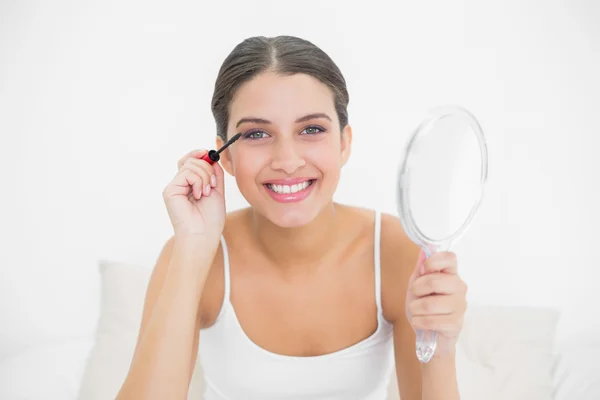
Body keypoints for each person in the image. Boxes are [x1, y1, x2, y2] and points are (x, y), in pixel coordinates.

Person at [116, 35, 468, 400]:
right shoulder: (194, 254)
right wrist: (193, 249)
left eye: (311, 129)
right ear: (227, 157)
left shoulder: (396, 250)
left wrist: (441, 349)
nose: (287, 160)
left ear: (344, 143)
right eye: (256, 134)